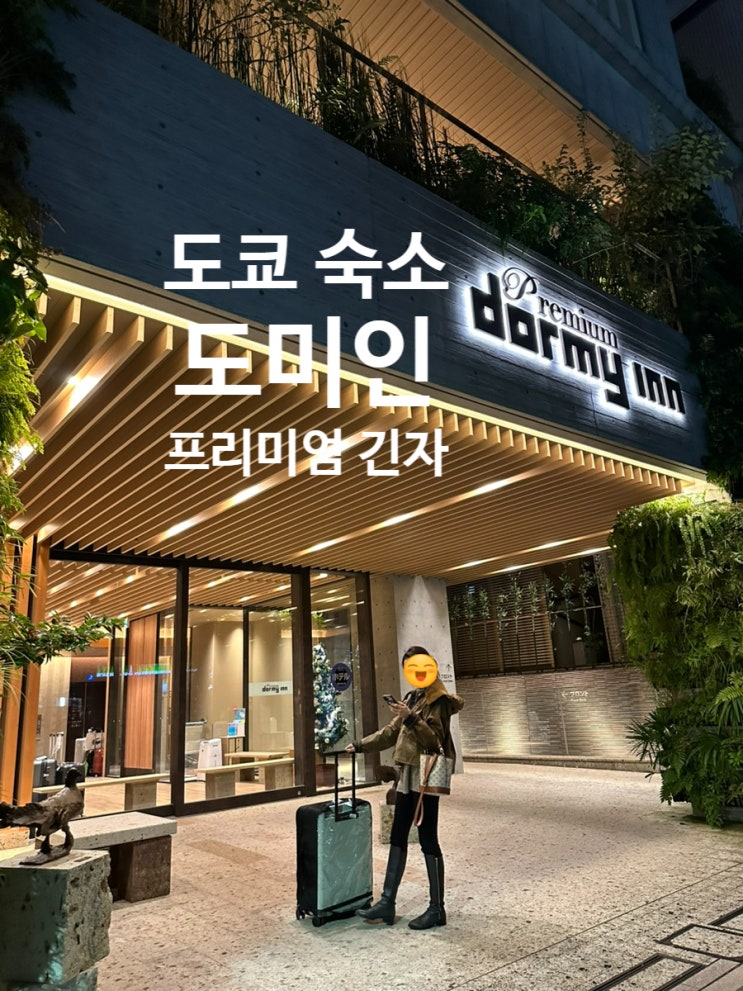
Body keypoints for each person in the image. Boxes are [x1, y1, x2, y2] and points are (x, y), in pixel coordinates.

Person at [345, 645, 464, 930]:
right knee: (398, 835)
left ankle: (437, 909)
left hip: (426, 776)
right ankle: (387, 902)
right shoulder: (414, 697)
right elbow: (390, 732)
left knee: (427, 838)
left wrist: (411, 716)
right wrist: (360, 745)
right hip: (407, 775)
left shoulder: (438, 700)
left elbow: (434, 740)